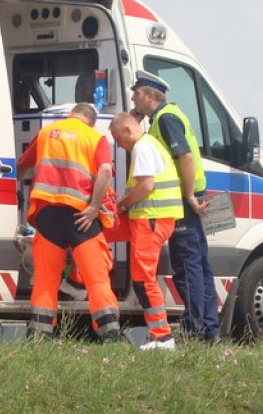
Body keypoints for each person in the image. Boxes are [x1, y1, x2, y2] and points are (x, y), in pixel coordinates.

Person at [17, 103, 121, 341]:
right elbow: (105, 170)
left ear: (71, 115)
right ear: (91, 121)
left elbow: (23, 165)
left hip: (47, 216)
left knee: (46, 279)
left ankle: (40, 335)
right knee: (96, 278)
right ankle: (111, 335)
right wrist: (94, 208)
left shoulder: (47, 133)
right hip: (81, 217)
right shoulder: (95, 138)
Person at [130, 70, 220, 342]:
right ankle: (209, 329)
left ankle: (195, 330)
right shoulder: (167, 115)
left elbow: (185, 157)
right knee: (200, 265)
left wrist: (190, 196)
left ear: (149, 95)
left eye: (136, 94)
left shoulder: (166, 118)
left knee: (187, 266)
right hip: (187, 197)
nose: (133, 99)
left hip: (182, 200)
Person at [109, 112, 184, 350]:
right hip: (153, 219)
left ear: (128, 130)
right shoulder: (151, 144)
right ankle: (161, 337)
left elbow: (146, 186)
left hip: (150, 220)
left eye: (119, 139)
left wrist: (123, 203)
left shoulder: (142, 147)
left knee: (143, 279)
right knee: (143, 278)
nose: (120, 146)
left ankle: (163, 338)